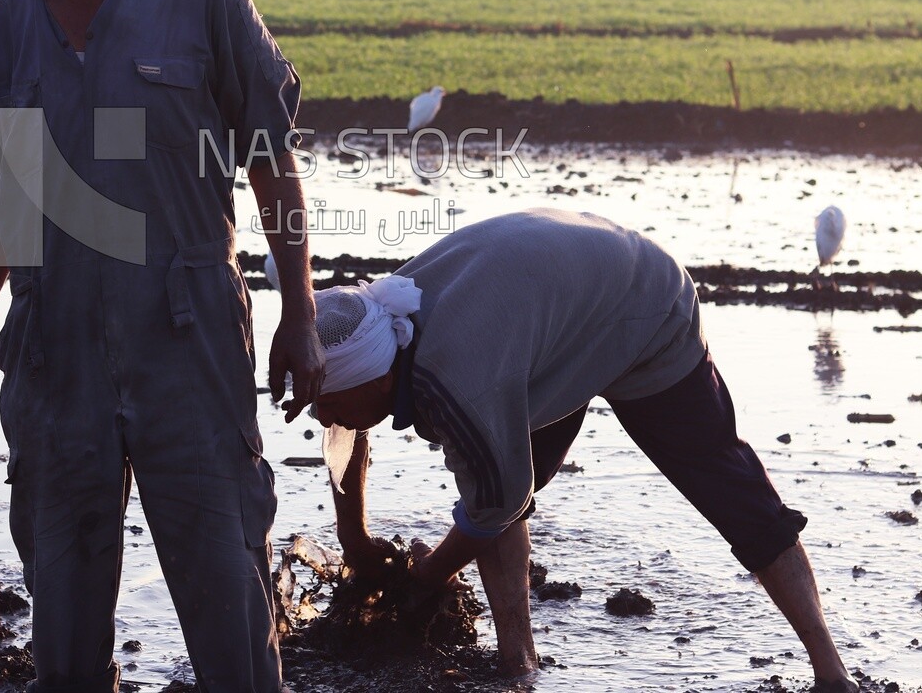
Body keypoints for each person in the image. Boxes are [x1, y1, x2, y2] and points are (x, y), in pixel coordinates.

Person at [0, 0, 326, 693]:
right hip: (55, 361)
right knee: (64, 643)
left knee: (230, 617)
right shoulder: (10, 28)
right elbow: (1, 214)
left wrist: (300, 314)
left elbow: (273, 168)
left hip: (187, 352)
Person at [311, 207, 859, 693]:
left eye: (325, 401)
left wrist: (426, 578)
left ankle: (831, 671)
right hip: (556, 317)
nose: (321, 417)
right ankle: (517, 663)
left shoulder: (457, 382)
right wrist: (353, 537)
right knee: (499, 471)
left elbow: (493, 506)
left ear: (376, 379)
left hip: (645, 306)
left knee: (729, 490)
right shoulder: (381, 319)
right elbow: (351, 427)